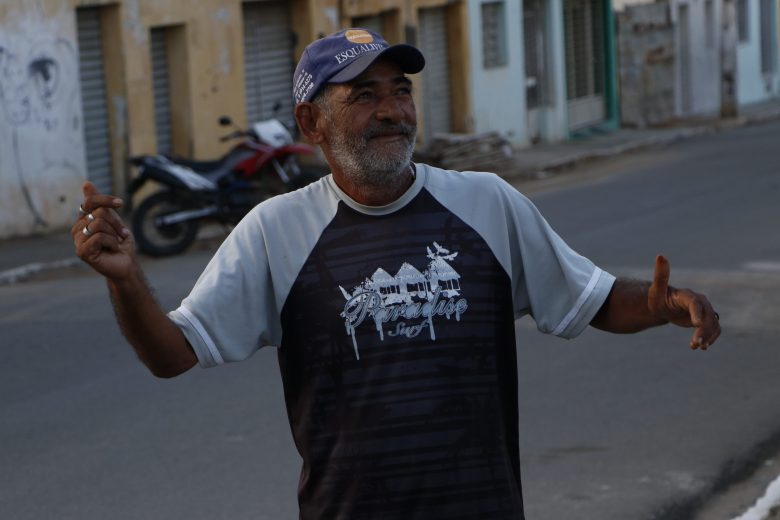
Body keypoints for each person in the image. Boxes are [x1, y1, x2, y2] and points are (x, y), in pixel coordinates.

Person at [73, 28, 720, 520]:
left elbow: (592, 299)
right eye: (364, 96)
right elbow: (172, 354)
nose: (392, 111)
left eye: (400, 91)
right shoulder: (276, 230)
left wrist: (658, 304)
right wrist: (126, 281)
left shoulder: (487, 202)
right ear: (311, 124)